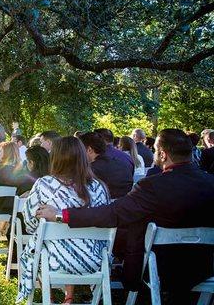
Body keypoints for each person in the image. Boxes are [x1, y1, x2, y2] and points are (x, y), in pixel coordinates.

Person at [37, 129, 214, 304]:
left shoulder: (151, 186)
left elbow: (112, 213)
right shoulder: (210, 182)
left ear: (162, 154)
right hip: (204, 267)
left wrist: (61, 215)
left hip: (158, 269)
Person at [17, 136, 110, 304]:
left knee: (39, 245)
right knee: (69, 243)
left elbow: (29, 225)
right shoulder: (99, 187)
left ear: (56, 158)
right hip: (94, 261)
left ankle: (50, 297)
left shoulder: (44, 185)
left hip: (53, 262)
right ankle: (67, 297)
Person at [80, 132, 133, 199]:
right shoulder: (121, 163)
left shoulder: (91, 170)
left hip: (106, 206)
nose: (79, 153)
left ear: (89, 150)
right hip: (126, 203)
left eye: (80, 150)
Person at [0, 141, 30, 214]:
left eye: (0, 151)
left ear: (7, 153)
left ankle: (5, 225)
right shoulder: (22, 169)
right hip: (16, 205)